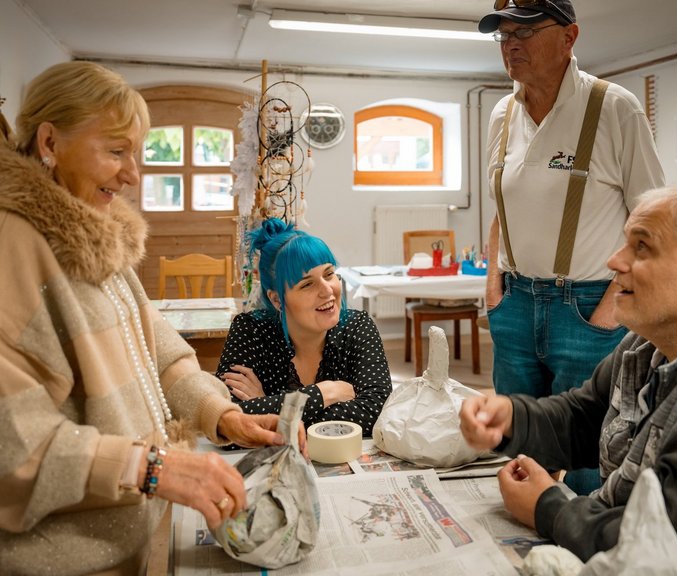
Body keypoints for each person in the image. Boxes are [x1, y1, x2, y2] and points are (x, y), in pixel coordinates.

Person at [0, 62, 299, 576]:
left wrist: (220, 413)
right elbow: (12, 441)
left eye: (134, 153)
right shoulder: (12, 246)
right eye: (115, 151)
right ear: (49, 141)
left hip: (122, 546)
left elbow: (159, 351)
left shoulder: (94, 233)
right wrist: (151, 467)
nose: (133, 173)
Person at [460, 185, 677, 574]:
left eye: (641, 247)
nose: (614, 261)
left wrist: (549, 508)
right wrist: (511, 418)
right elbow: (585, 417)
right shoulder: (646, 344)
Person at [477, 0, 665, 493]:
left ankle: (583, 556)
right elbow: (503, 204)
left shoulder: (614, 107)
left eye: (526, 30)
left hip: (586, 308)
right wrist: (494, 285)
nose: (511, 43)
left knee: (588, 455)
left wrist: (610, 307)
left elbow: (652, 221)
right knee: (517, 440)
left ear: (569, 37)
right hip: (515, 305)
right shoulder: (502, 113)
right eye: (503, 34)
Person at [216, 218, 392, 437]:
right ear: (277, 300)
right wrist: (324, 393)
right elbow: (225, 423)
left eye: (329, 274)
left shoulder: (358, 326)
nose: (327, 290)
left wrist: (266, 408)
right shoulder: (250, 330)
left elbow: (377, 413)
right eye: (307, 284)